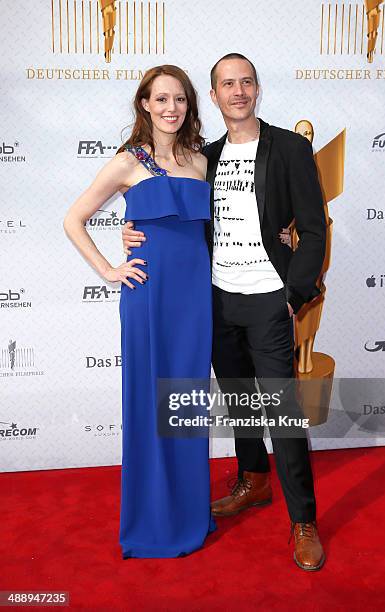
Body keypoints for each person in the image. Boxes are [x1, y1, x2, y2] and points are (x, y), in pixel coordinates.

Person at [122, 54, 327, 571]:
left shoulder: (289, 148)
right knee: (238, 401)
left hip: (268, 298)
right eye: (226, 85)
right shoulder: (203, 157)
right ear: (212, 97)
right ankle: (253, 480)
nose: (237, 91)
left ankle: (303, 519)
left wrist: (293, 292)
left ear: (258, 89)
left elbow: (313, 227)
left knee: (281, 409)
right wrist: (130, 232)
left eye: (246, 82)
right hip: (212, 298)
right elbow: (175, 211)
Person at [63, 65, 216, 559]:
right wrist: (110, 268)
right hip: (148, 295)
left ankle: (192, 512)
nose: (171, 108)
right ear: (145, 105)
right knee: (151, 402)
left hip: (194, 297)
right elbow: (74, 218)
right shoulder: (127, 161)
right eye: (161, 99)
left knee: (186, 404)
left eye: (180, 100)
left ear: (189, 106)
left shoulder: (199, 160)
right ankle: (153, 520)